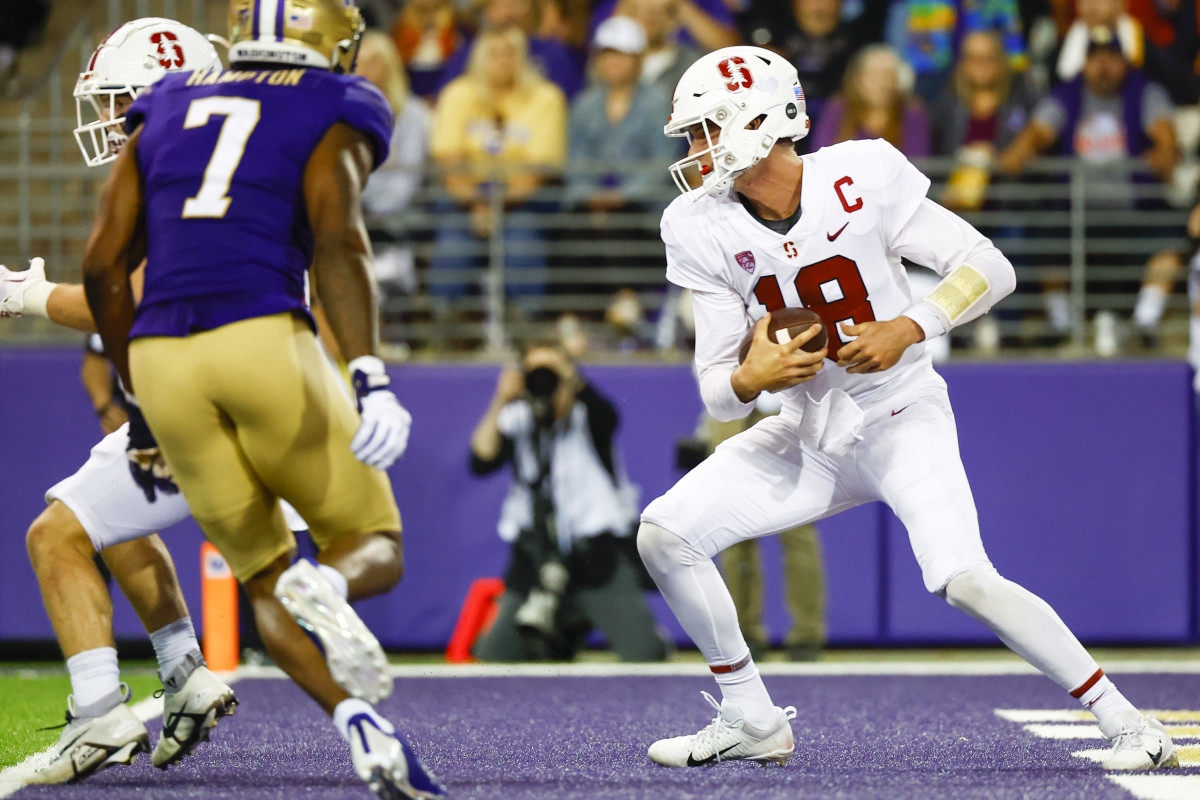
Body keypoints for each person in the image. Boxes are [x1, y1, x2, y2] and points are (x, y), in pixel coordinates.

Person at [636, 44, 1177, 772]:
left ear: (759, 122)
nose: (696, 152)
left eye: (705, 131)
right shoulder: (697, 225)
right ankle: (751, 717)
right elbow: (714, 390)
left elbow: (991, 266)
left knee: (963, 577)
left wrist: (910, 325)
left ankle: (1129, 723)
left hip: (899, 410)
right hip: (806, 426)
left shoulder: (860, 173)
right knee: (665, 535)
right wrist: (748, 378)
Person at [78, 2, 444, 798]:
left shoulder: (168, 97)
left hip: (162, 357)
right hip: (261, 335)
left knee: (263, 575)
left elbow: (104, 267)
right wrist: (371, 374)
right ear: (326, 40)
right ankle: (333, 587)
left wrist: (138, 394)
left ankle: (357, 722)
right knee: (371, 543)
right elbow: (340, 238)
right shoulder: (336, 101)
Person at [0, 19, 240, 784]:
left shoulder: (179, 177)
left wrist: (28, 293)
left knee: (54, 536)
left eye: (119, 101)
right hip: (225, 388)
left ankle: (99, 712)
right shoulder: (224, 163)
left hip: (206, 402)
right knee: (96, 514)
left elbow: (130, 300)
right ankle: (184, 671)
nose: (108, 120)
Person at [469, 341, 667, 662]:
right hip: (535, 559)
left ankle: (578, 630)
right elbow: (480, 459)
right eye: (536, 372)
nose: (545, 380)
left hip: (596, 559)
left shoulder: (588, 413)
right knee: (495, 658)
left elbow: (609, 418)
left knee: (645, 654)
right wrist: (501, 399)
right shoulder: (517, 417)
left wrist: (570, 381)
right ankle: (559, 639)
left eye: (553, 371)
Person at [428, 25, 566, 309]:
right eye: (495, 54)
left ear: (523, 57)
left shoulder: (546, 96)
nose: (503, 61)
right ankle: (445, 323)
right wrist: (477, 203)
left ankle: (525, 323)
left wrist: (493, 205)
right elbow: (449, 163)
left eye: (511, 53)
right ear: (480, 58)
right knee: (452, 250)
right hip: (465, 198)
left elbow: (537, 171)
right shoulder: (457, 94)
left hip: (522, 201)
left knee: (521, 246)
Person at [808, 44, 931, 157]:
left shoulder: (912, 113)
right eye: (874, 75)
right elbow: (820, 156)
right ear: (857, 79)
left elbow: (918, 163)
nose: (882, 83)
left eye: (888, 75)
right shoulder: (837, 108)